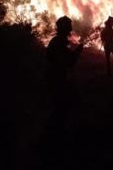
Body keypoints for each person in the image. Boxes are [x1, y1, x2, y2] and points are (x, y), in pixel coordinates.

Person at [43, 16, 83, 146]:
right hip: (57, 79)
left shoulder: (58, 40)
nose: (71, 28)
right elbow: (68, 62)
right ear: (64, 27)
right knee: (60, 107)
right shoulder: (59, 41)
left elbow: (52, 57)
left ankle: (53, 136)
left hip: (55, 77)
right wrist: (77, 52)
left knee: (60, 107)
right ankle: (52, 139)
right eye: (69, 26)